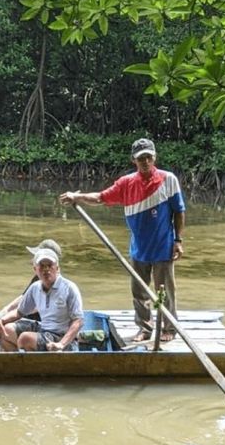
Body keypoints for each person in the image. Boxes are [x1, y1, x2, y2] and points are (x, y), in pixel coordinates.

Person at [60, 137, 185, 342]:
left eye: (148, 157)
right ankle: (145, 327)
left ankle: (169, 328)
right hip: (139, 249)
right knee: (139, 292)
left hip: (164, 246)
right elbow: (100, 197)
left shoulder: (168, 179)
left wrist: (178, 240)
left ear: (154, 157)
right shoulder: (126, 183)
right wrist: (77, 197)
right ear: (133, 161)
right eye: (140, 158)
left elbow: (179, 212)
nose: (145, 162)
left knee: (165, 292)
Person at [0, 248, 84, 352]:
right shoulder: (35, 288)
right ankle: (20, 365)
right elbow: (19, 312)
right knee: (4, 330)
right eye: (42, 266)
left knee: (25, 338)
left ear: (57, 268)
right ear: (35, 270)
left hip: (62, 337)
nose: (46, 269)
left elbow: (78, 321)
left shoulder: (69, 288)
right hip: (44, 330)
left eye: (50, 265)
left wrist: (61, 344)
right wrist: (1, 321)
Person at [0, 238, 61, 343]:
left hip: (45, 327)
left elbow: (34, 307)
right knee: (1, 329)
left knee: (6, 329)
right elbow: (24, 297)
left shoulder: (55, 282)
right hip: (31, 321)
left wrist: (11, 317)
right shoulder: (38, 277)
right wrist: (6, 309)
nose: (33, 258)